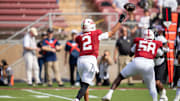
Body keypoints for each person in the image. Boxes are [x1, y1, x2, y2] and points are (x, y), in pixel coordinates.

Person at [74, 13, 127, 101]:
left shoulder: (79, 37)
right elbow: (112, 33)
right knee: (85, 85)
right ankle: (76, 99)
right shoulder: (96, 33)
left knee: (85, 85)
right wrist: (120, 21)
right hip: (90, 60)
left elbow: (82, 36)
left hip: (80, 61)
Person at [102, 29, 162, 101]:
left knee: (120, 76)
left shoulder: (138, 42)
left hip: (137, 62)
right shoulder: (155, 44)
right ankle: (155, 99)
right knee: (152, 87)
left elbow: (130, 54)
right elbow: (161, 55)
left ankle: (109, 94)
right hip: (148, 64)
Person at [154, 26, 169, 101]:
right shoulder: (148, 39)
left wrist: (160, 47)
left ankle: (163, 93)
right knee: (153, 83)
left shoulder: (161, 38)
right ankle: (161, 96)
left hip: (160, 62)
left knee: (157, 82)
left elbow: (167, 49)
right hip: (152, 63)